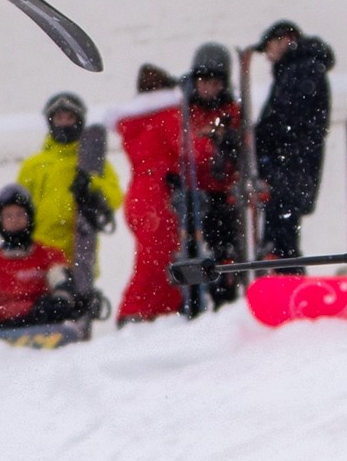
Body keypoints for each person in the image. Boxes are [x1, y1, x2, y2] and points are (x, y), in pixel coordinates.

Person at [252, 21, 334, 269]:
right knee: (281, 237)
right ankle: (285, 279)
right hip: (293, 168)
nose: (268, 57)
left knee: (281, 239)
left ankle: (287, 285)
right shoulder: (300, 69)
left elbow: (285, 120)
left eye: (269, 49)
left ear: (285, 40)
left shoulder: (301, 70)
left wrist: (254, 137)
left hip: (290, 168)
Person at [16, 92, 122, 267]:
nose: (64, 123)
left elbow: (114, 198)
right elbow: (18, 207)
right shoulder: (33, 165)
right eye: (59, 118)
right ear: (50, 121)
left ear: (79, 121)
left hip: (78, 255)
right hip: (39, 255)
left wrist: (91, 186)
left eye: (70, 118)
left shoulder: (92, 164)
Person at [176, 44, 243, 307]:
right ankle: (191, 302)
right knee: (188, 252)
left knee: (222, 250)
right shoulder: (184, 110)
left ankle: (222, 297)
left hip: (220, 194)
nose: (209, 88)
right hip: (190, 194)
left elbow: (236, 143)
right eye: (204, 81)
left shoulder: (230, 112)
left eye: (215, 82)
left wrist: (225, 142)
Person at [116, 63, 183, 323]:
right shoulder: (167, 116)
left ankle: (150, 311)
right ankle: (139, 311)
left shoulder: (134, 122)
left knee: (152, 256)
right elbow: (188, 151)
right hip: (158, 194)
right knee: (158, 258)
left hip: (139, 194)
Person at [0, 184, 79, 331]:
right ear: (0, 221)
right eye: (8, 216)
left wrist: (60, 300)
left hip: (41, 326)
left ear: (29, 217)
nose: (14, 220)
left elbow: (61, 281)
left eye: (20, 214)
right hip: (3, 332)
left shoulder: (49, 256)